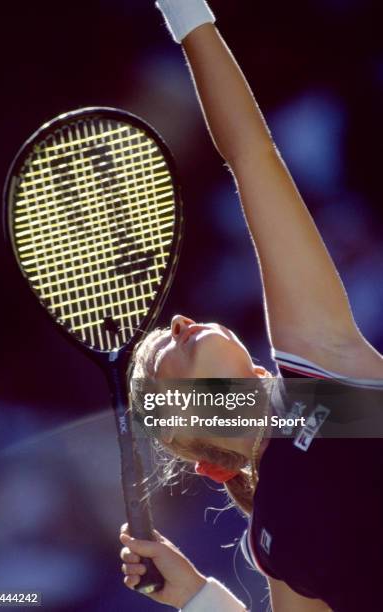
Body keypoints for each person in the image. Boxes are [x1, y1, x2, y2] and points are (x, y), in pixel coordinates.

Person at [119, 1, 383, 610]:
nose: (179, 321)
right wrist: (194, 596)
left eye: (173, 324)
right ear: (184, 434)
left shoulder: (318, 376)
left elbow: (250, 153)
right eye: (162, 354)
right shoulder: (274, 547)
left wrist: (182, 10)